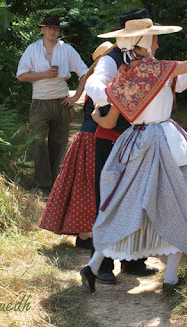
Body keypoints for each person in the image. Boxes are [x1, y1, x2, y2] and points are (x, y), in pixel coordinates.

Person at [79, 18, 187, 293]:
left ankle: (93, 266)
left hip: (134, 142)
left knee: (125, 204)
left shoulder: (125, 76)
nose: (157, 42)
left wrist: (96, 114)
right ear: (143, 43)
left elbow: (108, 122)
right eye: (154, 38)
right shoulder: (162, 69)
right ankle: (171, 279)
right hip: (165, 142)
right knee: (179, 203)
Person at [85, 9, 161, 284]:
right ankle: (103, 264)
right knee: (108, 199)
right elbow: (95, 84)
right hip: (112, 140)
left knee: (139, 199)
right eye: (151, 36)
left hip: (140, 140)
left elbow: (177, 82)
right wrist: (115, 95)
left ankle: (134, 260)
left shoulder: (152, 62)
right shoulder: (111, 60)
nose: (155, 42)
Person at [38, 42, 114, 248]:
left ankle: (87, 233)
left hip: (92, 136)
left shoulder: (95, 80)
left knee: (88, 184)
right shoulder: (99, 82)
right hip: (92, 137)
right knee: (89, 185)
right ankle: (85, 234)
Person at [17, 14, 88, 194]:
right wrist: (44, 74)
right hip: (40, 101)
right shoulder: (32, 50)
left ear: (58, 30)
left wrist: (76, 97)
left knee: (58, 143)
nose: (52, 31)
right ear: (42, 29)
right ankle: (42, 185)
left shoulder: (67, 49)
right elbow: (21, 75)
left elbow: (85, 73)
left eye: (55, 28)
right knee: (39, 140)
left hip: (61, 101)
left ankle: (55, 184)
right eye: (49, 28)